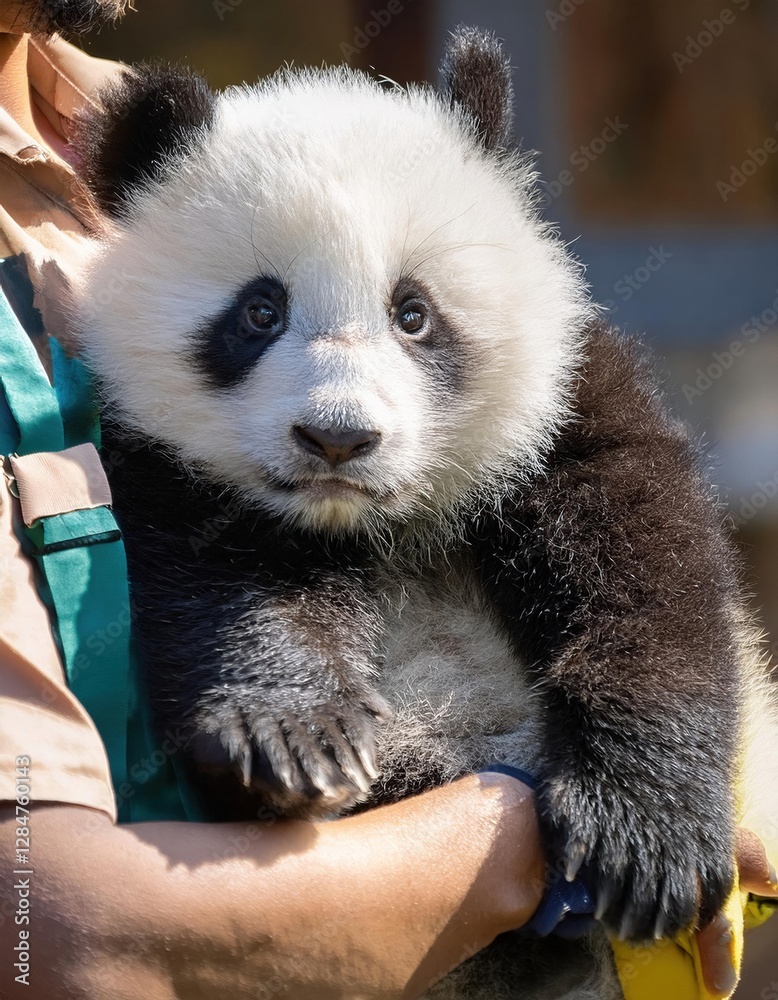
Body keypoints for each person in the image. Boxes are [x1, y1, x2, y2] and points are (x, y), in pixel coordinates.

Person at [0, 3, 774, 998]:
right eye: (262, 317)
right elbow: (59, 933)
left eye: (412, 316)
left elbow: (628, 519)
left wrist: (652, 751)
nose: (341, 407)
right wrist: (523, 843)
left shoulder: (143, 123)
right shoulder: (180, 183)